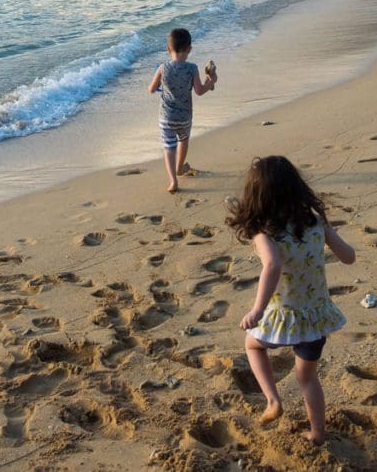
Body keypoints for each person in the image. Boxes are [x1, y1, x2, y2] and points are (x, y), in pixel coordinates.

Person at [225, 155, 356, 445]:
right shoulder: (314, 221)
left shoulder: (264, 232)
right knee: (307, 378)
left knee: (252, 345)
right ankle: (318, 434)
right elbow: (349, 256)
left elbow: (271, 265)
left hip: (282, 316)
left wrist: (257, 310)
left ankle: (272, 400)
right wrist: (335, 244)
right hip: (316, 316)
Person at [148, 28, 216, 193]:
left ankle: (173, 181)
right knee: (183, 141)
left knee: (169, 147)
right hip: (184, 117)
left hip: (166, 117)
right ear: (189, 49)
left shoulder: (163, 68)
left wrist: (160, 87)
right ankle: (180, 167)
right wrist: (211, 81)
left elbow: (151, 89)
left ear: (168, 49)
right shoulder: (192, 68)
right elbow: (199, 91)